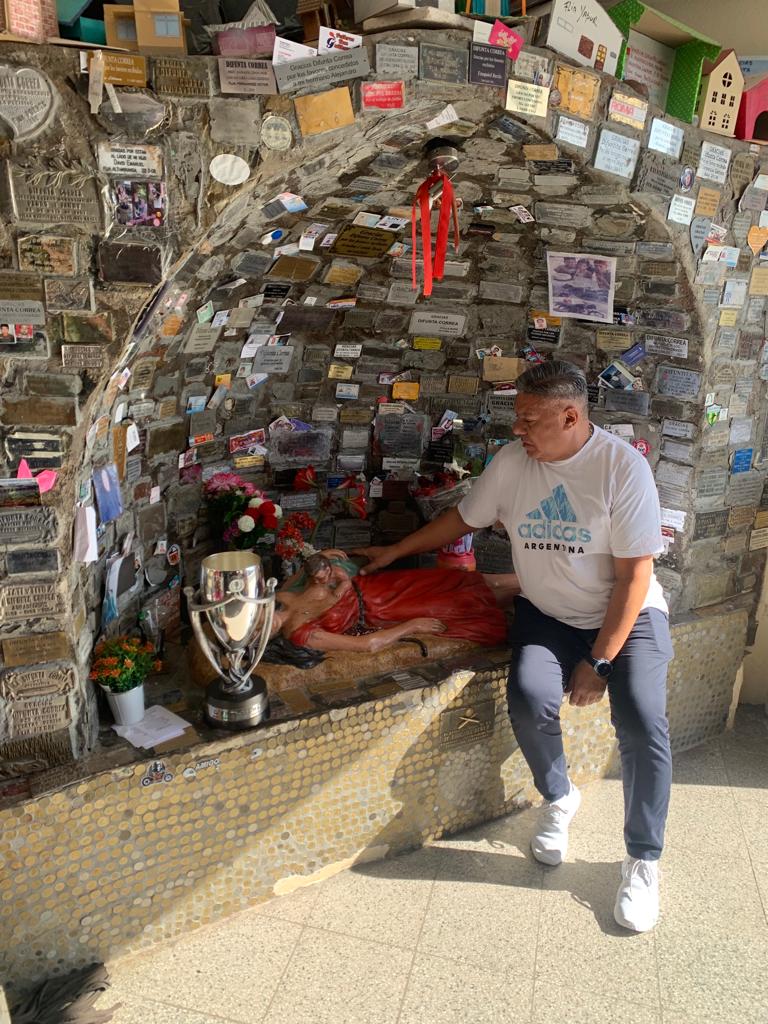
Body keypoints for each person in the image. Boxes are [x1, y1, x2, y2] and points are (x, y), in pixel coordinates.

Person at [356, 360, 672, 933]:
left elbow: (634, 578)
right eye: (516, 418)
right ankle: (559, 797)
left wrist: (599, 661)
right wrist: (396, 553)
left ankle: (642, 859)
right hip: (548, 613)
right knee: (528, 697)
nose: (517, 430)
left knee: (643, 720)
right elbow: (463, 518)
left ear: (570, 417)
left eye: (529, 420)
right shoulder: (512, 463)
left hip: (627, 615)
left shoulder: (622, 470)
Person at [271, 552, 509, 654]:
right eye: (258, 632)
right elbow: (367, 645)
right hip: (380, 612)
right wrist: (412, 626)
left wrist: (323, 555)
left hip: (373, 586)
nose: (262, 625)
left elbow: (307, 572)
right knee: (456, 603)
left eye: (257, 621)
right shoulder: (301, 634)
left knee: (449, 579)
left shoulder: (282, 597)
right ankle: (519, 594)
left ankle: (524, 580)